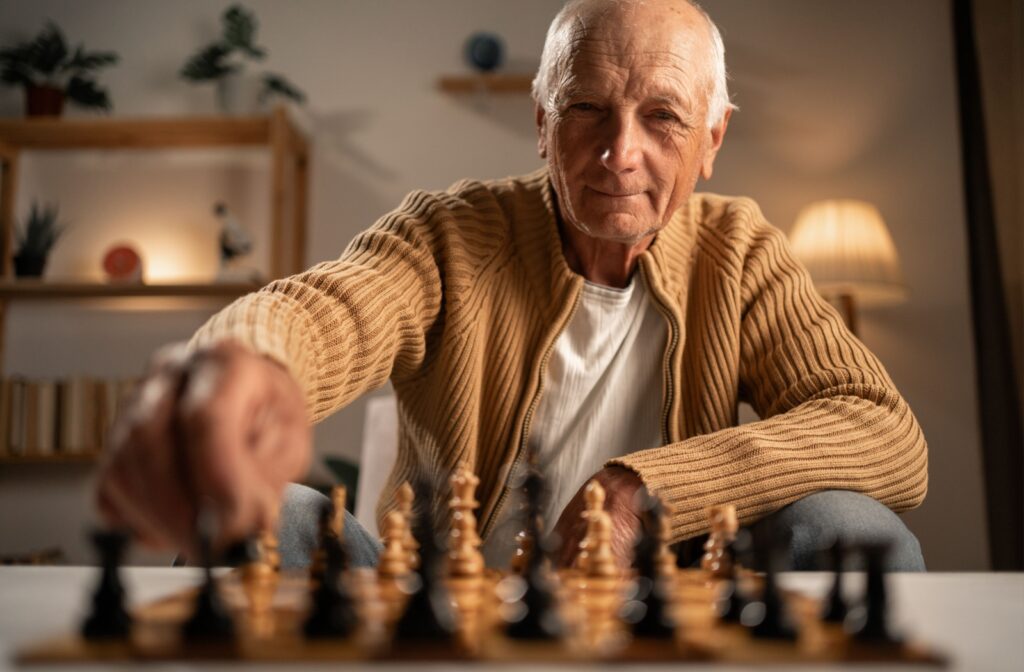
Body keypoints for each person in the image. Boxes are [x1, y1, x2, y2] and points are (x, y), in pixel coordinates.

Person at [97, 0, 927, 571]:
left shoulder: (742, 252)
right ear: (541, 122)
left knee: (853, 528)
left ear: (714, 138)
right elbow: (322, 314)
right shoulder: (449, 233)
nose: (619, 153)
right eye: (586, 109)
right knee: (267, 517)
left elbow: (883, 431)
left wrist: (646, 488)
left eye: (663, 117)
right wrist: (239, 369)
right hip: (435, 611)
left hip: (661, 614)